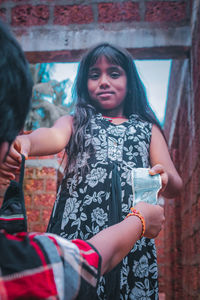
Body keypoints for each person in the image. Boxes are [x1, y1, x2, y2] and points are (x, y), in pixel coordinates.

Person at [0, 22, 166, 299]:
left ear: (130, 82)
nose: (103, 81)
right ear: (84, 83)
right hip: (77, 229)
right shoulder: (76, 120)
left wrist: (163, 178)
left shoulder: (148, 128)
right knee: (75, 282)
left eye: (114, 74)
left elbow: (174, 181)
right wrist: (26, 141)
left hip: (135, 230)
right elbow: (51, 136)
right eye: (94, 75)